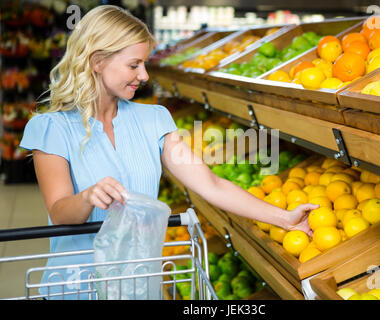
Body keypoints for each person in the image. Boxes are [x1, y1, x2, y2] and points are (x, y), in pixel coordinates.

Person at [19, 5, 318, 300]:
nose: (145, 75)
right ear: (97, 61)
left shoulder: (155, 120)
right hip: (76, 287)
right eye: (134, 65)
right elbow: (59, 213)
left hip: (139, 284)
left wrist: (284, 219)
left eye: (144, 64)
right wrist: (87, 197)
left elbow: (211, 184)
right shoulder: (51, 128)